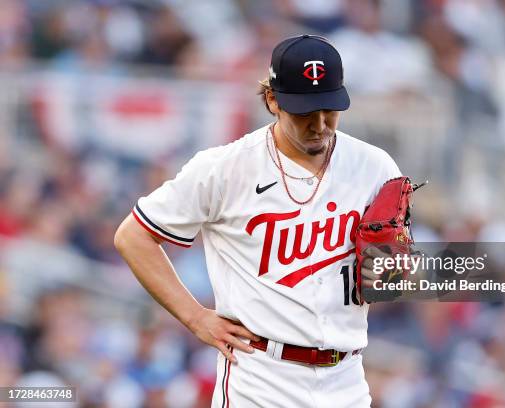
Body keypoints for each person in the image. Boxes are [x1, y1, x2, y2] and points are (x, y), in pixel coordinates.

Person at [114, 34, 401, 407]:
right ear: (272, 100)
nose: (319, 124)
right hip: (260, 376)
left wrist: (397, 269)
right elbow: (132, 236)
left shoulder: (375, 167)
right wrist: (195, 317)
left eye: (329, 108)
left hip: (345, 378)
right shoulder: (225, 168)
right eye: (304, 111)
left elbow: (391, 281)